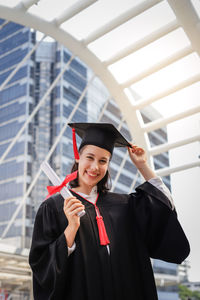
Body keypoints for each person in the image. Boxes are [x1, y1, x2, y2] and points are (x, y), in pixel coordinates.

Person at [29, 123, 190, 300]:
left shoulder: (124, 204)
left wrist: (142, 166)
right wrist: (71, 229)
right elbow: (41, 265)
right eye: (89, 157)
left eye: (102, 161)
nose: (94, 167)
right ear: (78, 157)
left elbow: (163, 203)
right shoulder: (54, 206)